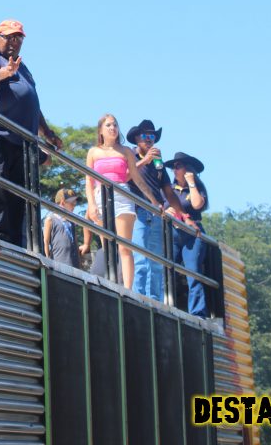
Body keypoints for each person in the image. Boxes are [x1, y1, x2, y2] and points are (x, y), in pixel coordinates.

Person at [0, 19, 63, 246]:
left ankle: (16, 246)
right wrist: (4, 72)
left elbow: (32, 102)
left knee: (20, 198)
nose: (14, 42)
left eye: (18, 38)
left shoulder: (24, 67)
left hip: (24, 143)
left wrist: (47, 133)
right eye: (9, 37)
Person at [85, 114, 151, 290]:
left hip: (122, 196)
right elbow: (89, 182)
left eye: (115, 125)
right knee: (107, 245)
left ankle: (127, 290)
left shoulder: (126, 151)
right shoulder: (93, 152)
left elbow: (136, 178)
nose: (112, 128)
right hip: (100, 196)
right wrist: (91, 204)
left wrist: (153, 201)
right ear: (101, 130)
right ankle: (110, 285)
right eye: (108, 125)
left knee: (124, 247)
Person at [125, 119, 188, 302]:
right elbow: (124, 175)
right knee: (140, 259)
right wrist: (145, 161)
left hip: (157, 215)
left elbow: (168, 192)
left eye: (152, 136)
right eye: (145, 135)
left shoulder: (158, 163)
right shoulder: (130, 156)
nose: (149, 139)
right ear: (137, 138)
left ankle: (154, 301)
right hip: (138, 211)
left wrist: (184, 215)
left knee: (157, 263)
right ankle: (138, 298)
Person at [165, 152, 210, 317]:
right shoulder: (169, 189)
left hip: (193, 233)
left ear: (188, 169)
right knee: (166, 268)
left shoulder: (197, 187)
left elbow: (197, 205)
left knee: (193, 271)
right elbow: (162, 206)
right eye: (173, 167)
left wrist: (191, 182)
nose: (174, 170)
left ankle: (197, 312)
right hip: (172, 231)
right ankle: (166, 305)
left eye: (178, 166)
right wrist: (168, 211)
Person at [43, 188, 90, 269]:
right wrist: (47, 262)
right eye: (72, 203)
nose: (74, 206)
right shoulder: (50, 219)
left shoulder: (72, 221)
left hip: (74, 265)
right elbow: (46, 242)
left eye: (75, 203)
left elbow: (75, 242)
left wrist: (80, 264)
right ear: (62, 202)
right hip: (58, 264)